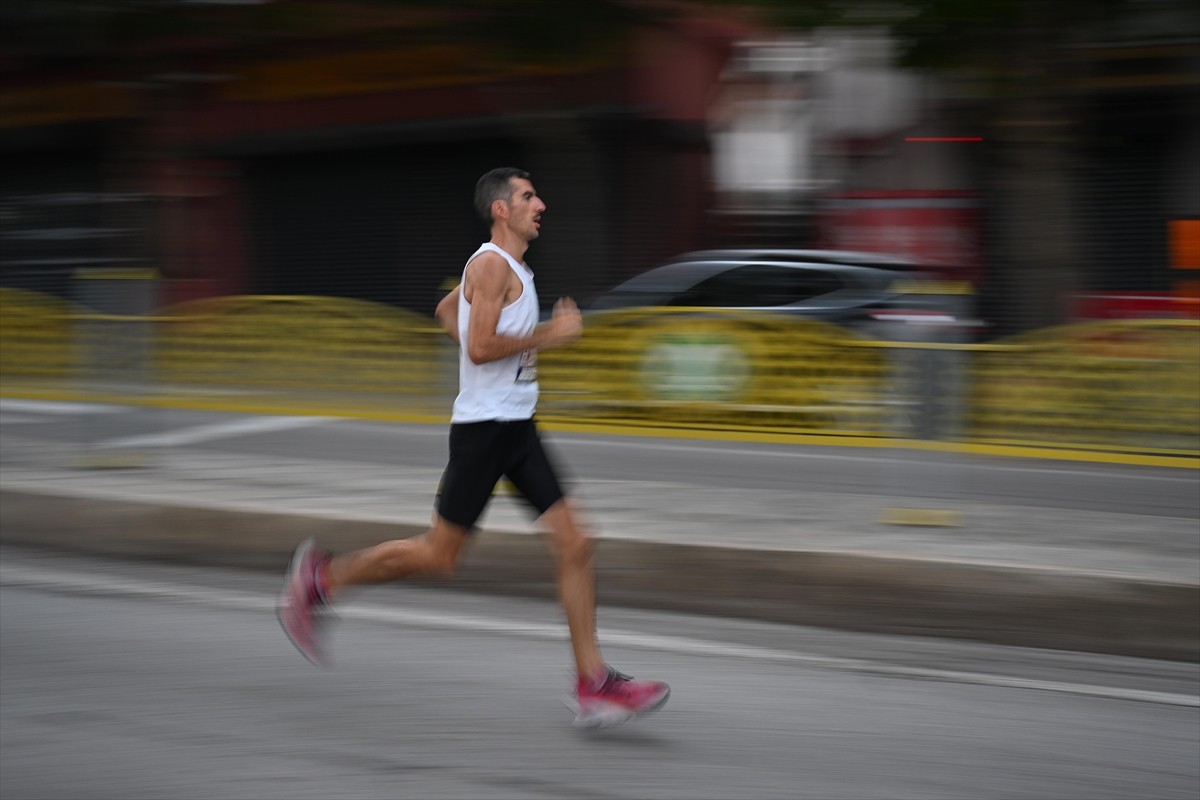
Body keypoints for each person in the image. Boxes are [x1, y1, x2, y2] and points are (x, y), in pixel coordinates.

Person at [278, 167, 669, 728]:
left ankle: (593, 683)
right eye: (529, 196)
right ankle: (320, 579)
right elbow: (482, 345)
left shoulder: (507, 269)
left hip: (518, 429)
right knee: (439, 555)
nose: (542, 204)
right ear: (501, 210)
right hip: (484, 433)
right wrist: (548, 337)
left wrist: (490, 346)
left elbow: (447, 315)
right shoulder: (489, 265)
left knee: (577, 542)